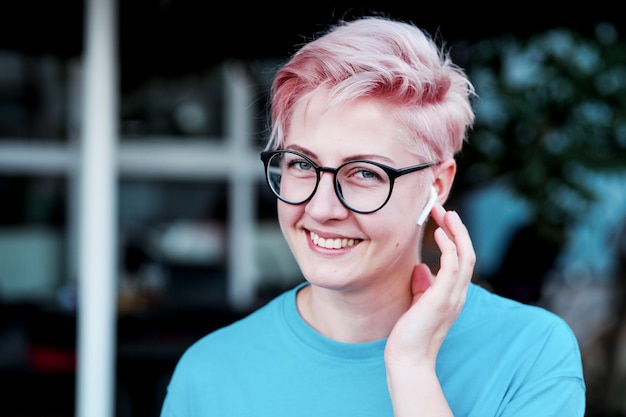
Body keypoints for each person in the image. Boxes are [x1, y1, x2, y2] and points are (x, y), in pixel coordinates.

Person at [159, 15, 586, 417]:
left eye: (364, 172)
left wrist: (412, 367)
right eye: (302, 165)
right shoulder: (209, 375)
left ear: (436, 186)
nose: (322, 208)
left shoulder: (529, 353)